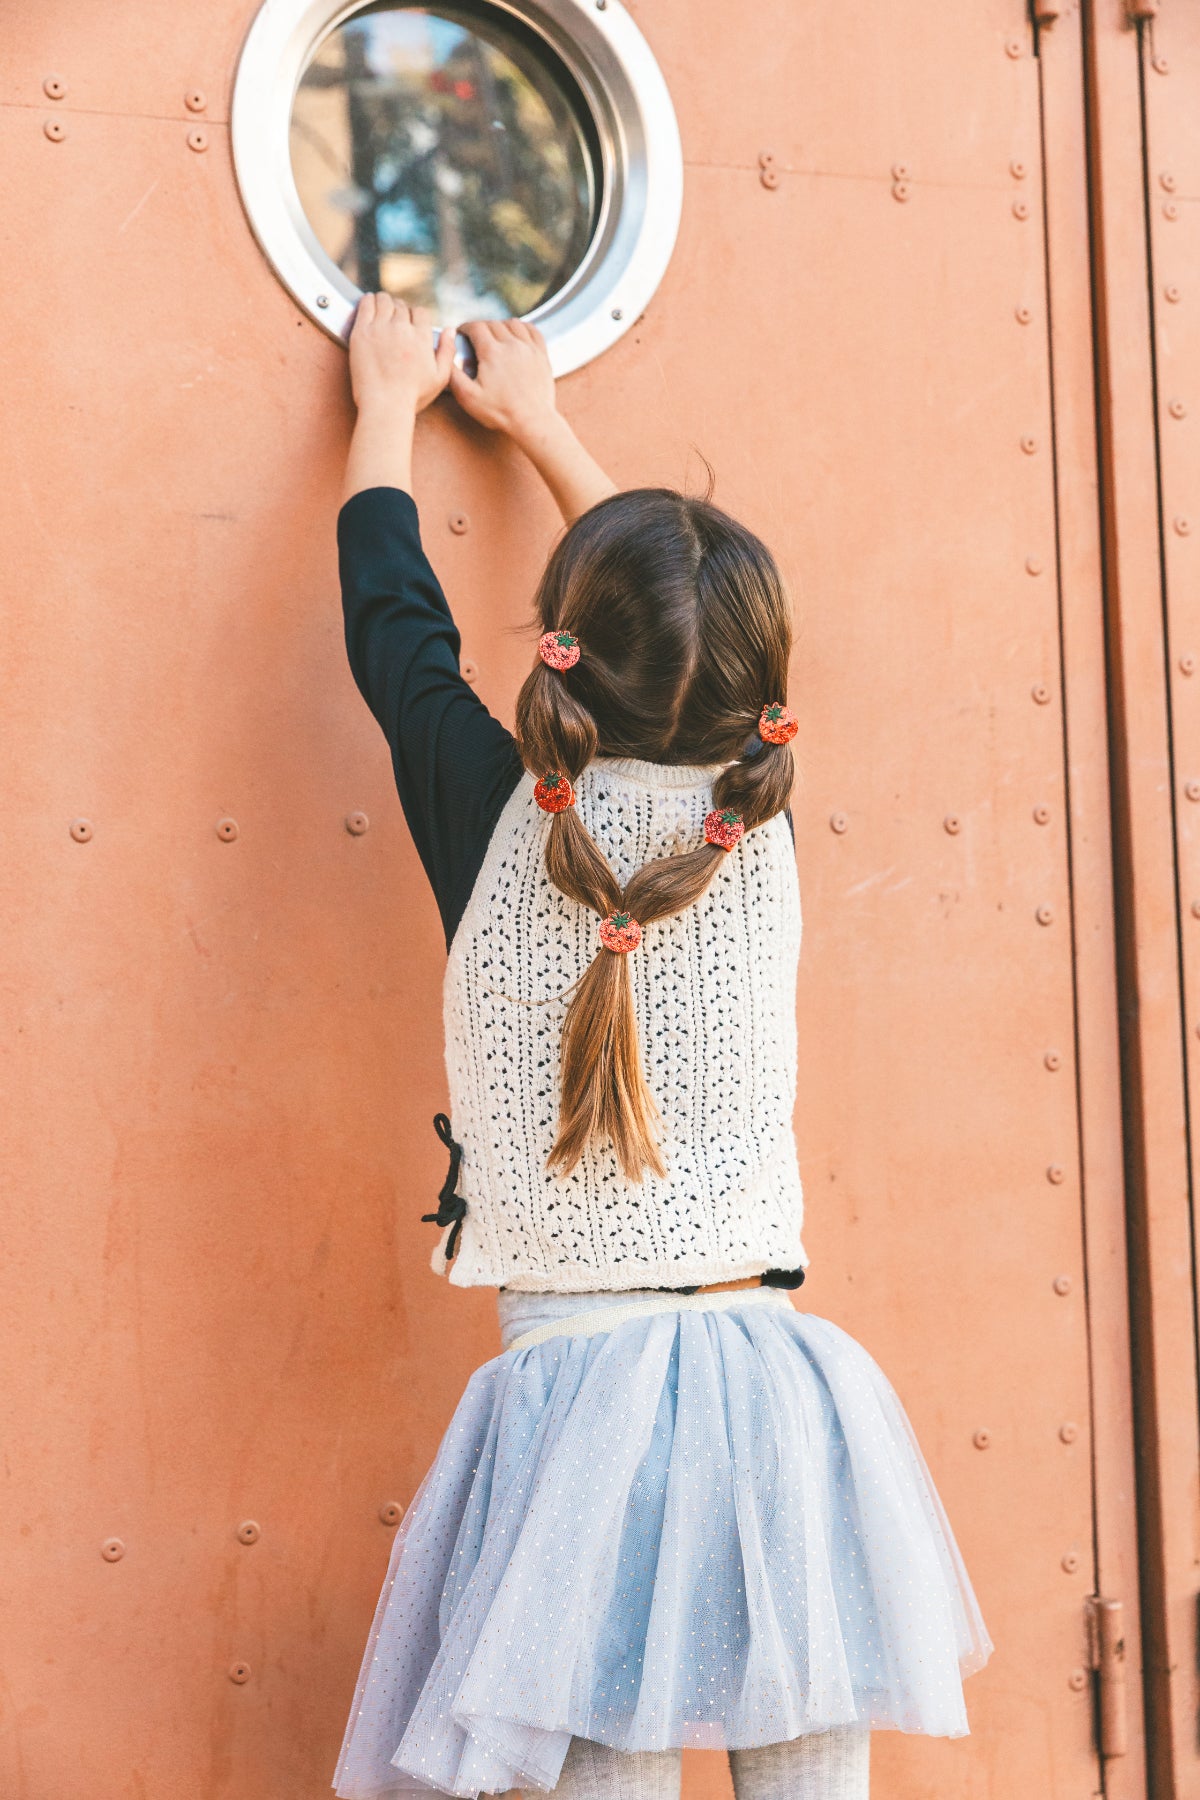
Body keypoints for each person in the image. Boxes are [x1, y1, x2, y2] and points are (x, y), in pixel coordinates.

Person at [330, 295, 991, 1800]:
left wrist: (386, 408)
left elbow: (396, 632)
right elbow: (684, 642)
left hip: (576, 1419)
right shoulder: (750, 831)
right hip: (777, 1397)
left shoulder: (495, 817)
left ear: (563, 642)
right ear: (764, 702)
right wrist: (549, 425)